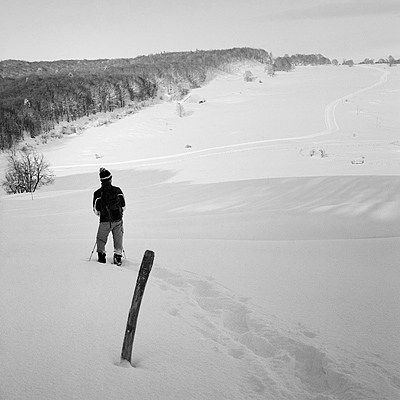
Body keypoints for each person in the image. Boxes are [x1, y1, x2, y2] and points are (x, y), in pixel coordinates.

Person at [92, 168, 126, 265]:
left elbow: (96, 210)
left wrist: (102, 214)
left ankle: (101, 257)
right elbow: (124, 206)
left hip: (104, 221)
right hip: (117, 220)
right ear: (110, 179)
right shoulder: (117, 190)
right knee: (118, 238)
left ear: (101, 180)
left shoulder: (97, 193)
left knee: (101, 239)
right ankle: (118, 256)